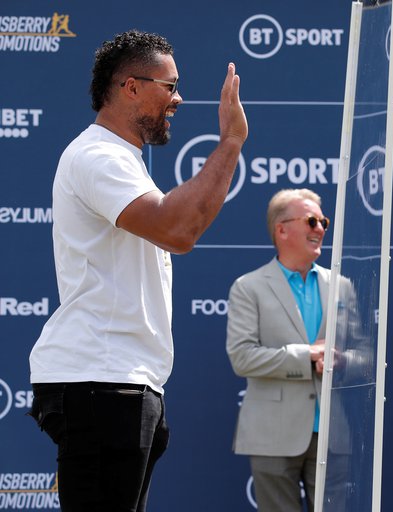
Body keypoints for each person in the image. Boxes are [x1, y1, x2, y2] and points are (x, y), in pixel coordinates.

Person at [27, 30, 247, 511]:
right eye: (169, 86)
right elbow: (178, 229)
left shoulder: (121, 159)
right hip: (100, 384)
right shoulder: (99, 156)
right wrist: (230, 141)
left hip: (117, 383)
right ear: (130, 86)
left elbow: (180, 226)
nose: (178, 98)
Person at [227, 188, 360, 512]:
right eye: (312, 220)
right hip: (272, 434)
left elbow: (366, 355)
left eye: (323, 222)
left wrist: (344, 360)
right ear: (281, 229)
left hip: (332, 433)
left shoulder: (342, 285)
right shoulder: (249, 287)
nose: (320, 229)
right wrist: (306, 356)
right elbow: (242, 356)